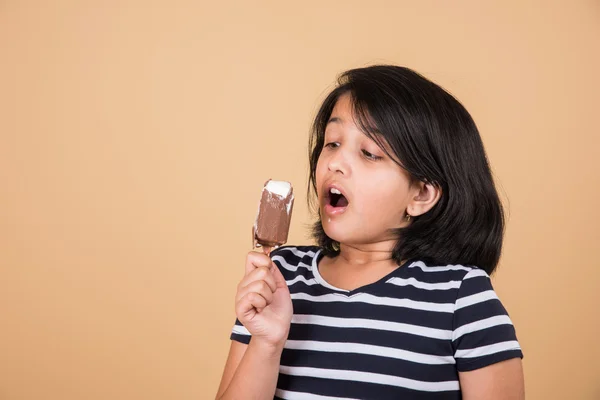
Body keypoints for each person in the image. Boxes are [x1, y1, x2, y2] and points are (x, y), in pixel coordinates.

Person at [216, 65, 525, 400]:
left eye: (369, 153)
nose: (335, 162)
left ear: (420, 194)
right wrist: (266, 343)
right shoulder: (280, 277)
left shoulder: (461, 297)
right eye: (332, 143)